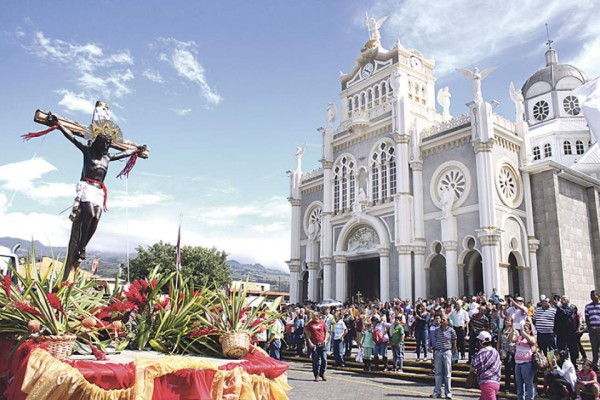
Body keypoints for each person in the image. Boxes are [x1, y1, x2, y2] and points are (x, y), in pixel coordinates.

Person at [49, 112, 145, 267]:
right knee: (89, 213)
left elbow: (124, 152)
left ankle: (82, 247)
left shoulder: (107, 158)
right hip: (86, 186)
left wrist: (136, 150)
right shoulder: (88, 152)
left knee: (97, 217)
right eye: (104, 144)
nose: (106, 147)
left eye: (108, 144)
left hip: (99, 190)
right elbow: (72, 138)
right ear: (98, 143)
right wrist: (59, 125)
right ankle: (80, 248)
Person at [430, 315, 457, 399]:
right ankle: (437, 392)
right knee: (438, 373)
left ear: (447, 322)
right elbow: (436, 341)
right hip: (438, 351)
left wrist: (452, 353)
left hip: (447, 352)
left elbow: (454, 343)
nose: (441, 321)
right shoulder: (437, 330)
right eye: (441, 320)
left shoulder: (452, 331)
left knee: (447, 374)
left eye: (444, 320)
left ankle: (448, 393)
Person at [471, 331, 502, 400]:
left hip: (486, 382)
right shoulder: (495, 352)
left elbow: (474, 367)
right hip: (496, 382)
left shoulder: (481, 353)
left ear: (480, 341)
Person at [513, 321, 537, 400]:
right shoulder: (519, 337)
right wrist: (512, 330)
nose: (523, 330)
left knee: (528, 383)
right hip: (518, 363)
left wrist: (524, 332)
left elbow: (533, 341)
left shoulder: (531, 337)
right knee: (519, 384)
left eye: (526, 329)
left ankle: (530, 398)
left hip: (527, 363)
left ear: (530, 330)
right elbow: (511, 339)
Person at [555, 295, 580, 367]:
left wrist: (558, 307)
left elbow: (566, 314)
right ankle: (561, 364)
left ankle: (574, 364)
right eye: (562, 299)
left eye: (564, 299)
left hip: (570, 333)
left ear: (568, 301)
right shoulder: (558, 310)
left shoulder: (570, 308)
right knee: (561, 349)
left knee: (572, 349)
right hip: (560, 333)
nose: (562, 300)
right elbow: (556, 320)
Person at [304, 311, 329, 382]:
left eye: (314, 316)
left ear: (317, 316)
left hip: (322, 344)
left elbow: (327, 332)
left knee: (324, 360)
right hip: (315, 344)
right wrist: (310, 343)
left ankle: (322, 373)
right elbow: (307, 335)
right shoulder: (310, 324)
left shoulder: (322, 322)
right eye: (312, 316)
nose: (312, 317)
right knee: (316, 361)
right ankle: (316, 375)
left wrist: (326, 340)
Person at [497, 315, 517, 394]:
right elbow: (499, 341)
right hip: (504, 352)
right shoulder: (501, 331)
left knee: (515, 371)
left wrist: (512, 331)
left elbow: (515, 340)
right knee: (507, 371)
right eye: (506, 320)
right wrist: (498, 351)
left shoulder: (515, 331)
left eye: (508, 320)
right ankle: (507, 387)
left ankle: (516, 387)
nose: (506, 322)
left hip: (513, 352)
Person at [585, 290, 600, 370]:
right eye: (591, 296)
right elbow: (587, 319)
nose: (592, 297)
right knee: (594, 348)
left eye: (594, 295)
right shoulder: (588, 306)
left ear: (598, 296)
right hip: (592, 331)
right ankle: (595, 364)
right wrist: (590, 329)